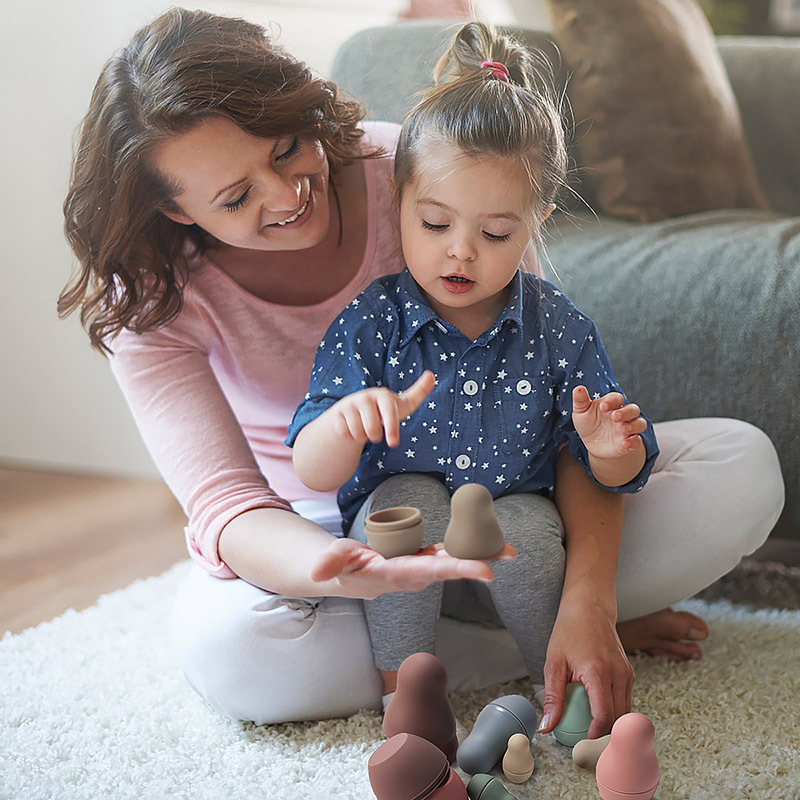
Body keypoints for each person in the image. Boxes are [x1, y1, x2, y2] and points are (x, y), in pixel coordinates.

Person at [59, 8, 784, 735]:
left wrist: (588, 600)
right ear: (172, 207)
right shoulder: (147, 298)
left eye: (286, 149)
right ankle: (484, 643)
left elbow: (557, 410)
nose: (285, 196)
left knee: (742, 465)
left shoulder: (425, 173)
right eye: (236, 197)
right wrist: (349, 567)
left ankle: (534, 625)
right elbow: (228, 506)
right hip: (319, 526)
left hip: (517, 499)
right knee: (237, 655)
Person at [286, 22, 662, 720]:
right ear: (397, 200)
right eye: (435, 224)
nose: (461, 252)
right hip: (406, 559)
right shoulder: (372, 320)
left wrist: (612, 449)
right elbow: (311, 469)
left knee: (530, 528)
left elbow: (616, 475)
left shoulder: (558, 326)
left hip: (513, 545)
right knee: (404, 502)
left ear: (536, 220)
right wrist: (344, 422)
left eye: (495, 234)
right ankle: (407, 696)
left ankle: (555, 682)